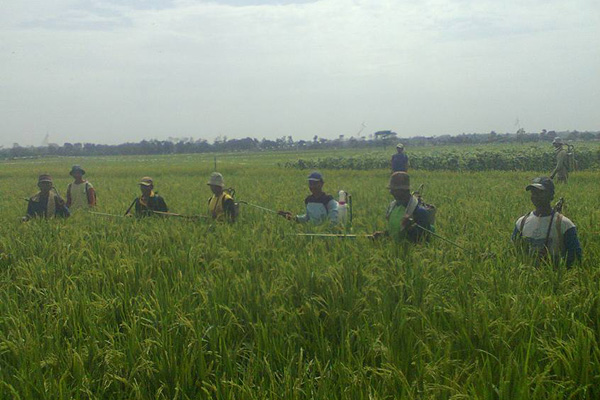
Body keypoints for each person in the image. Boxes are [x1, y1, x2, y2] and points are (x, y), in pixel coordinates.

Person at [511, 177, 582, 267]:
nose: (535, 196)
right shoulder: (521, 223)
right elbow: (514, 252)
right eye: (533, 193)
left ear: (551, 195)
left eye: (540, 193)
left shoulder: (564, 224)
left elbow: (575, 258)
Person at [372, 172, 432, 243]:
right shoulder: (393, 207)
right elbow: (395, 232)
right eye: (391, 189)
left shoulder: (419, 212)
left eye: (394, 190)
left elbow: (424, 240)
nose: (391, 192)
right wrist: (383, 234)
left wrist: (409, 228)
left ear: (404, 191)